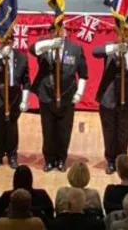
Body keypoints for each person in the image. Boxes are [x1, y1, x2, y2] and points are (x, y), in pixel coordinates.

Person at [31, 28, 88, 172]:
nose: (58, 33)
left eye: (60, 30)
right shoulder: (43, 44)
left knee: (64, 130)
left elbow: (83, 73)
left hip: (67, 96)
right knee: (48, 130)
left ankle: (61, 159)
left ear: (65, 32)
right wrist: (50, 44)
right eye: (54, 31)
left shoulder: (75, 49)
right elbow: (32, 50)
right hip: (46, 95)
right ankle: (49, 160)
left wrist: (79, 93)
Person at [93, 36, 128, 174]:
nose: (125, 36)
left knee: (124, 132)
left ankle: (122, 160)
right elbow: (95, 52)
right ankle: (110, 161)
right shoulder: (109, 48)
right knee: (109, 132)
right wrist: (115, 48)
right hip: (108, 99)